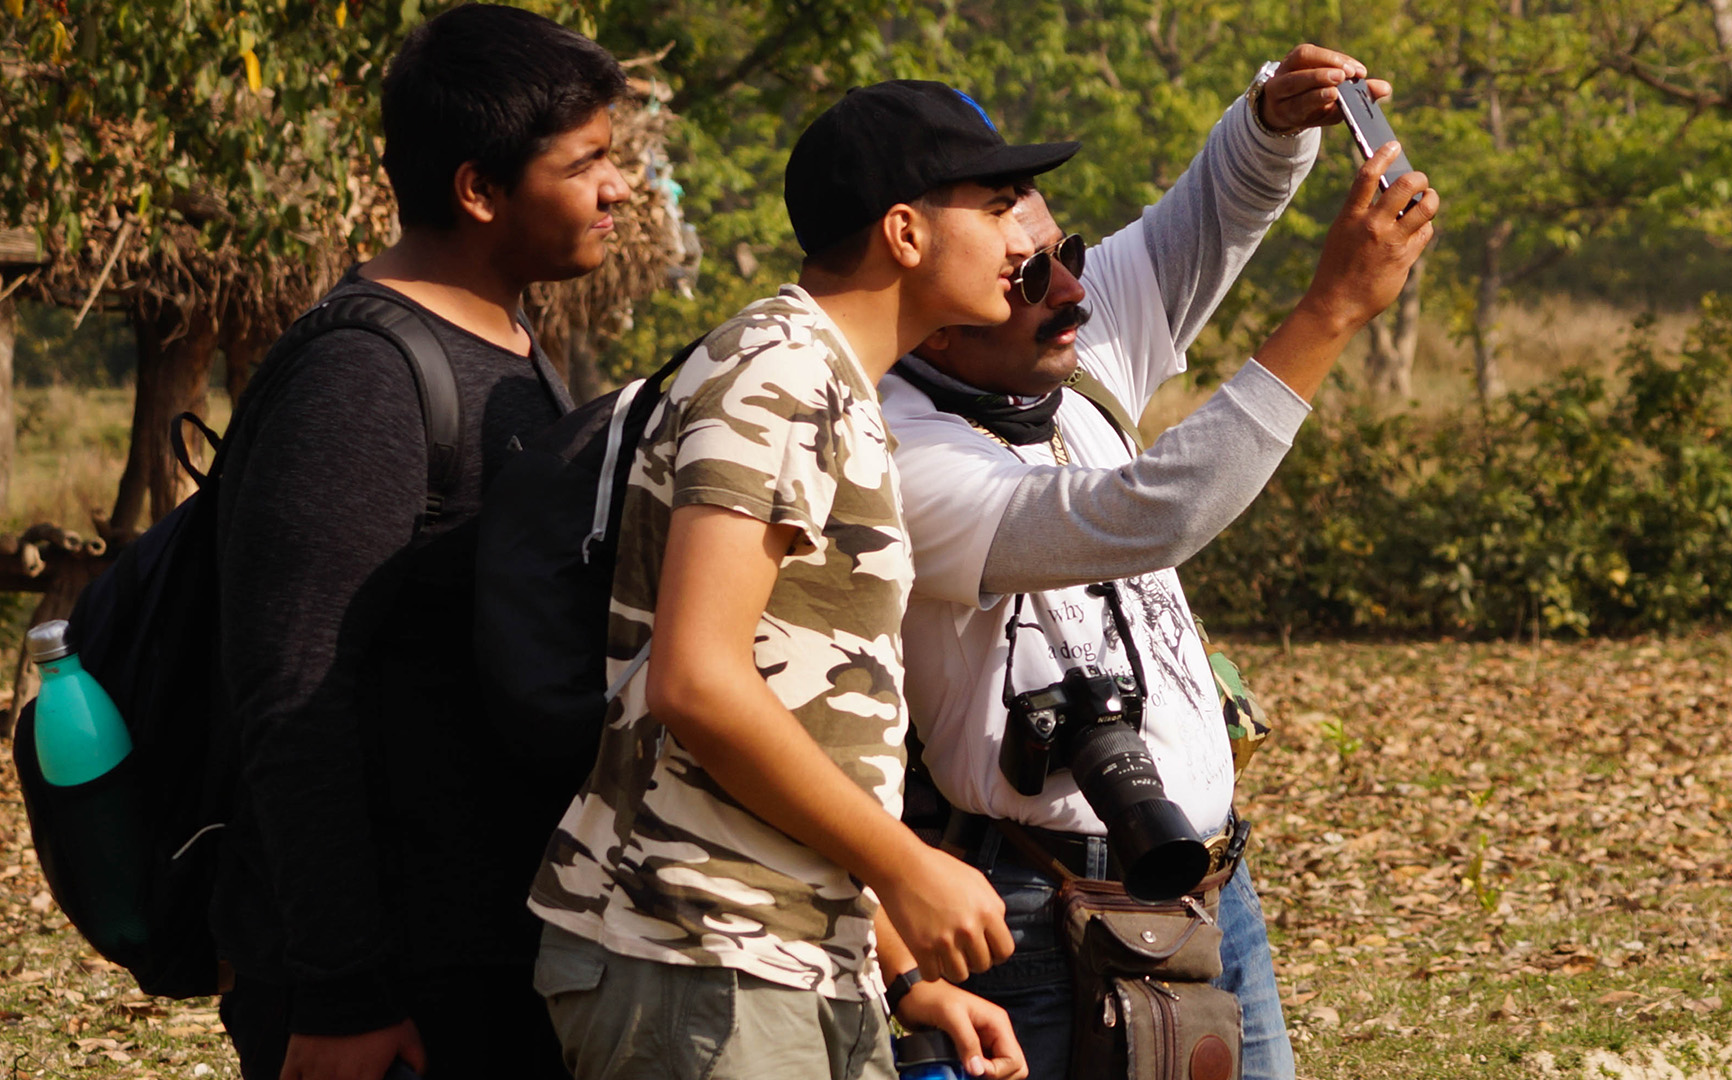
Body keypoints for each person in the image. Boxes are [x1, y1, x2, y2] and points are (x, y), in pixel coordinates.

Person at [879, 45, 1438, 1080]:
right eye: (1027, 273)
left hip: (1215, 882)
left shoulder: (1060, 348)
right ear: (929, 312)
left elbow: (1204, 222)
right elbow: (1145, 516)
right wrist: (1331, 312)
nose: (1072, 289)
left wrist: (1274, 117)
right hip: (1038, 905)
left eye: (1063, 249)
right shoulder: (893, 453)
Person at [526, 81, 1076, 1080]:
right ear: (904, 233)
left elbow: (811, 714)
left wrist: (904, 973)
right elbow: (697, 680)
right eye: (998, 208)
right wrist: (910, 865)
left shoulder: (833, 384)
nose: (1023, 240)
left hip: (789, 956)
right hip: (698, 951)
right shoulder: (779, 374)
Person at [210, 7, 632, 1079]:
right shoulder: (361, 378)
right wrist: (341, 990)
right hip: (394, 986)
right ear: (479, 189)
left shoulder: (512, 342)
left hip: (491, 951)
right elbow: (293, 690)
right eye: (585, 164)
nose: (618, 189)